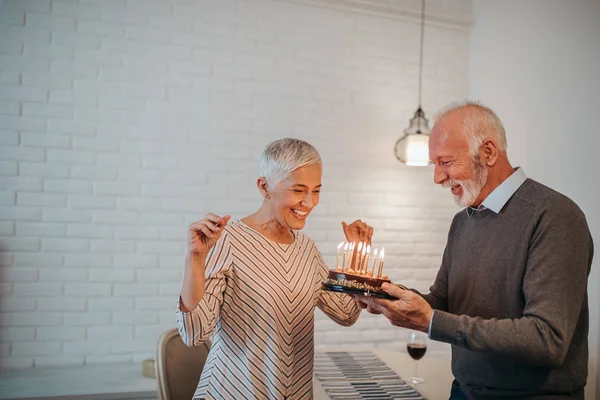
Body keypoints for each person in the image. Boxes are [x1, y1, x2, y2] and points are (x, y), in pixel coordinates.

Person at [356, 102, 594, 399]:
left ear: (489, 153)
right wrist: (385, 294)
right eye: (435, 165)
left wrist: (430, 321)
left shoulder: (555, 216)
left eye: (446, 162)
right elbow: (442, 302)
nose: (438, 178)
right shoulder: (462, 222)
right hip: (463, 391)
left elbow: (547, 340)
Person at [176, 138, 371, 400]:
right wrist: (195, 259)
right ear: (264, 186)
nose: (309, 202)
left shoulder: (306, 249)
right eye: (299, 190)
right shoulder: (228, 240)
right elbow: (193, 333)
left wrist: (357, 255)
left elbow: (346, 314)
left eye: (316, 190)